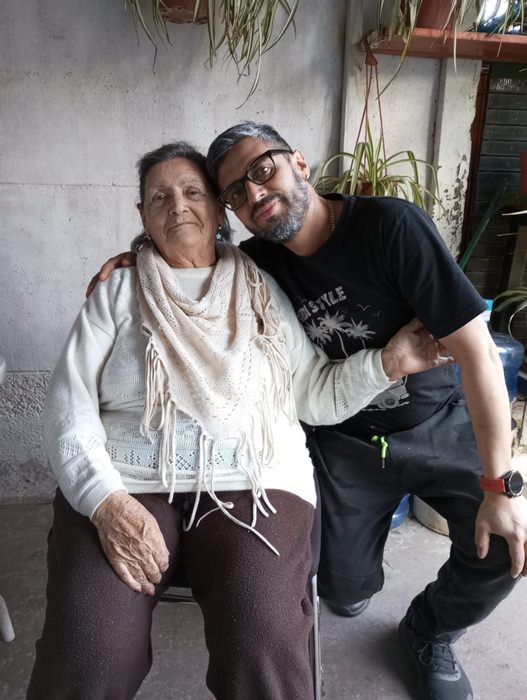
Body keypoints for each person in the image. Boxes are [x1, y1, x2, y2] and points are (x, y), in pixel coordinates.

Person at [93, 122, 527, 700]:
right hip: (344, 437)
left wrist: (502, 484)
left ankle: (430, 630)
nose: (255, 192)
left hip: (436, 421)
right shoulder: (257, 265)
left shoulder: (390, 227)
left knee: (506, 546)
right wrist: (139, 257)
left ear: (298, 161)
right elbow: (189, 256)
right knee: (342, 590)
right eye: (235, 192)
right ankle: (358, 575)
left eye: (262, 169)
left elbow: (479, 352)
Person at [27, 141, 446, 700]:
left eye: (192, 191)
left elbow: (311, 393)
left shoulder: (260, 286)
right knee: (89, 649)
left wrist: (389, 362)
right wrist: (105, 502)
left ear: (219, 209)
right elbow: (69, 405)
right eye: (159, 197)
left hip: (254, 479)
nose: (178, 205)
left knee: (262, 641)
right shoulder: (118, 291)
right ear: (143, 216)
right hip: (123, 484)